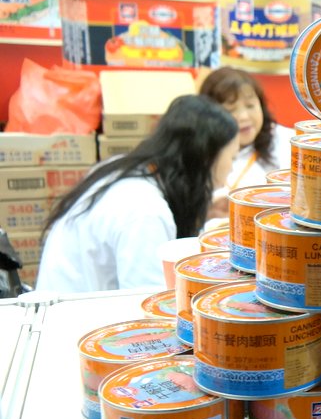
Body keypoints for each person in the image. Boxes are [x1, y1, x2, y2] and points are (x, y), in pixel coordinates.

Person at [36, 95, 239, 293]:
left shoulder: (122, 169)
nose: (231, 168)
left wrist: (205, 212)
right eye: (232, 157)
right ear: (205, 159)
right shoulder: (146, 213)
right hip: (79, 312)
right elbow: (148, 300)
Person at [199, 67, 294, 195]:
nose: (244, 116)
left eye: (250, 106)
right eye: (231, 110)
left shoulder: (288, 142)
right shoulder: (199, 153)